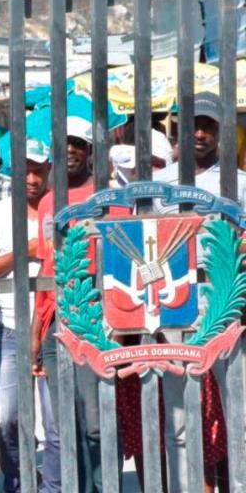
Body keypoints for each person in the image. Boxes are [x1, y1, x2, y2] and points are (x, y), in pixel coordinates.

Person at [151, 91, 243, 491]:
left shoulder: (239, 183)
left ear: (221, 132)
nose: (200, 134)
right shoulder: (157, 185)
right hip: (174, 313)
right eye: (192, 126)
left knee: (237, 412)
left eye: (207, 126)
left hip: (228, 311)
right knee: (180, 418)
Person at [32, 116, 127, 493]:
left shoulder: (111, 201)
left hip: (99, 320)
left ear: (89, 151)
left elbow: (123, 263)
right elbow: (47, 268)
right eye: (64, 143)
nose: (70, 150)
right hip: (58, 322)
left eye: (78, 143)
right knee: (67, 424)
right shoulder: (48, 203)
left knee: (97, 422)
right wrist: (38, 332)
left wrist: (119, 326)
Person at [0, 140, 60, 493]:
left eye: (38, 170)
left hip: (54, 324)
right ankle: (20, 478)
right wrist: (25, 251)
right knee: (7, 416)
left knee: (53, 419)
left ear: (48, 170)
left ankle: (52, 484)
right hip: (11, 325)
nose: (31, 178)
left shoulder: (60, 208)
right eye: (25, 170)